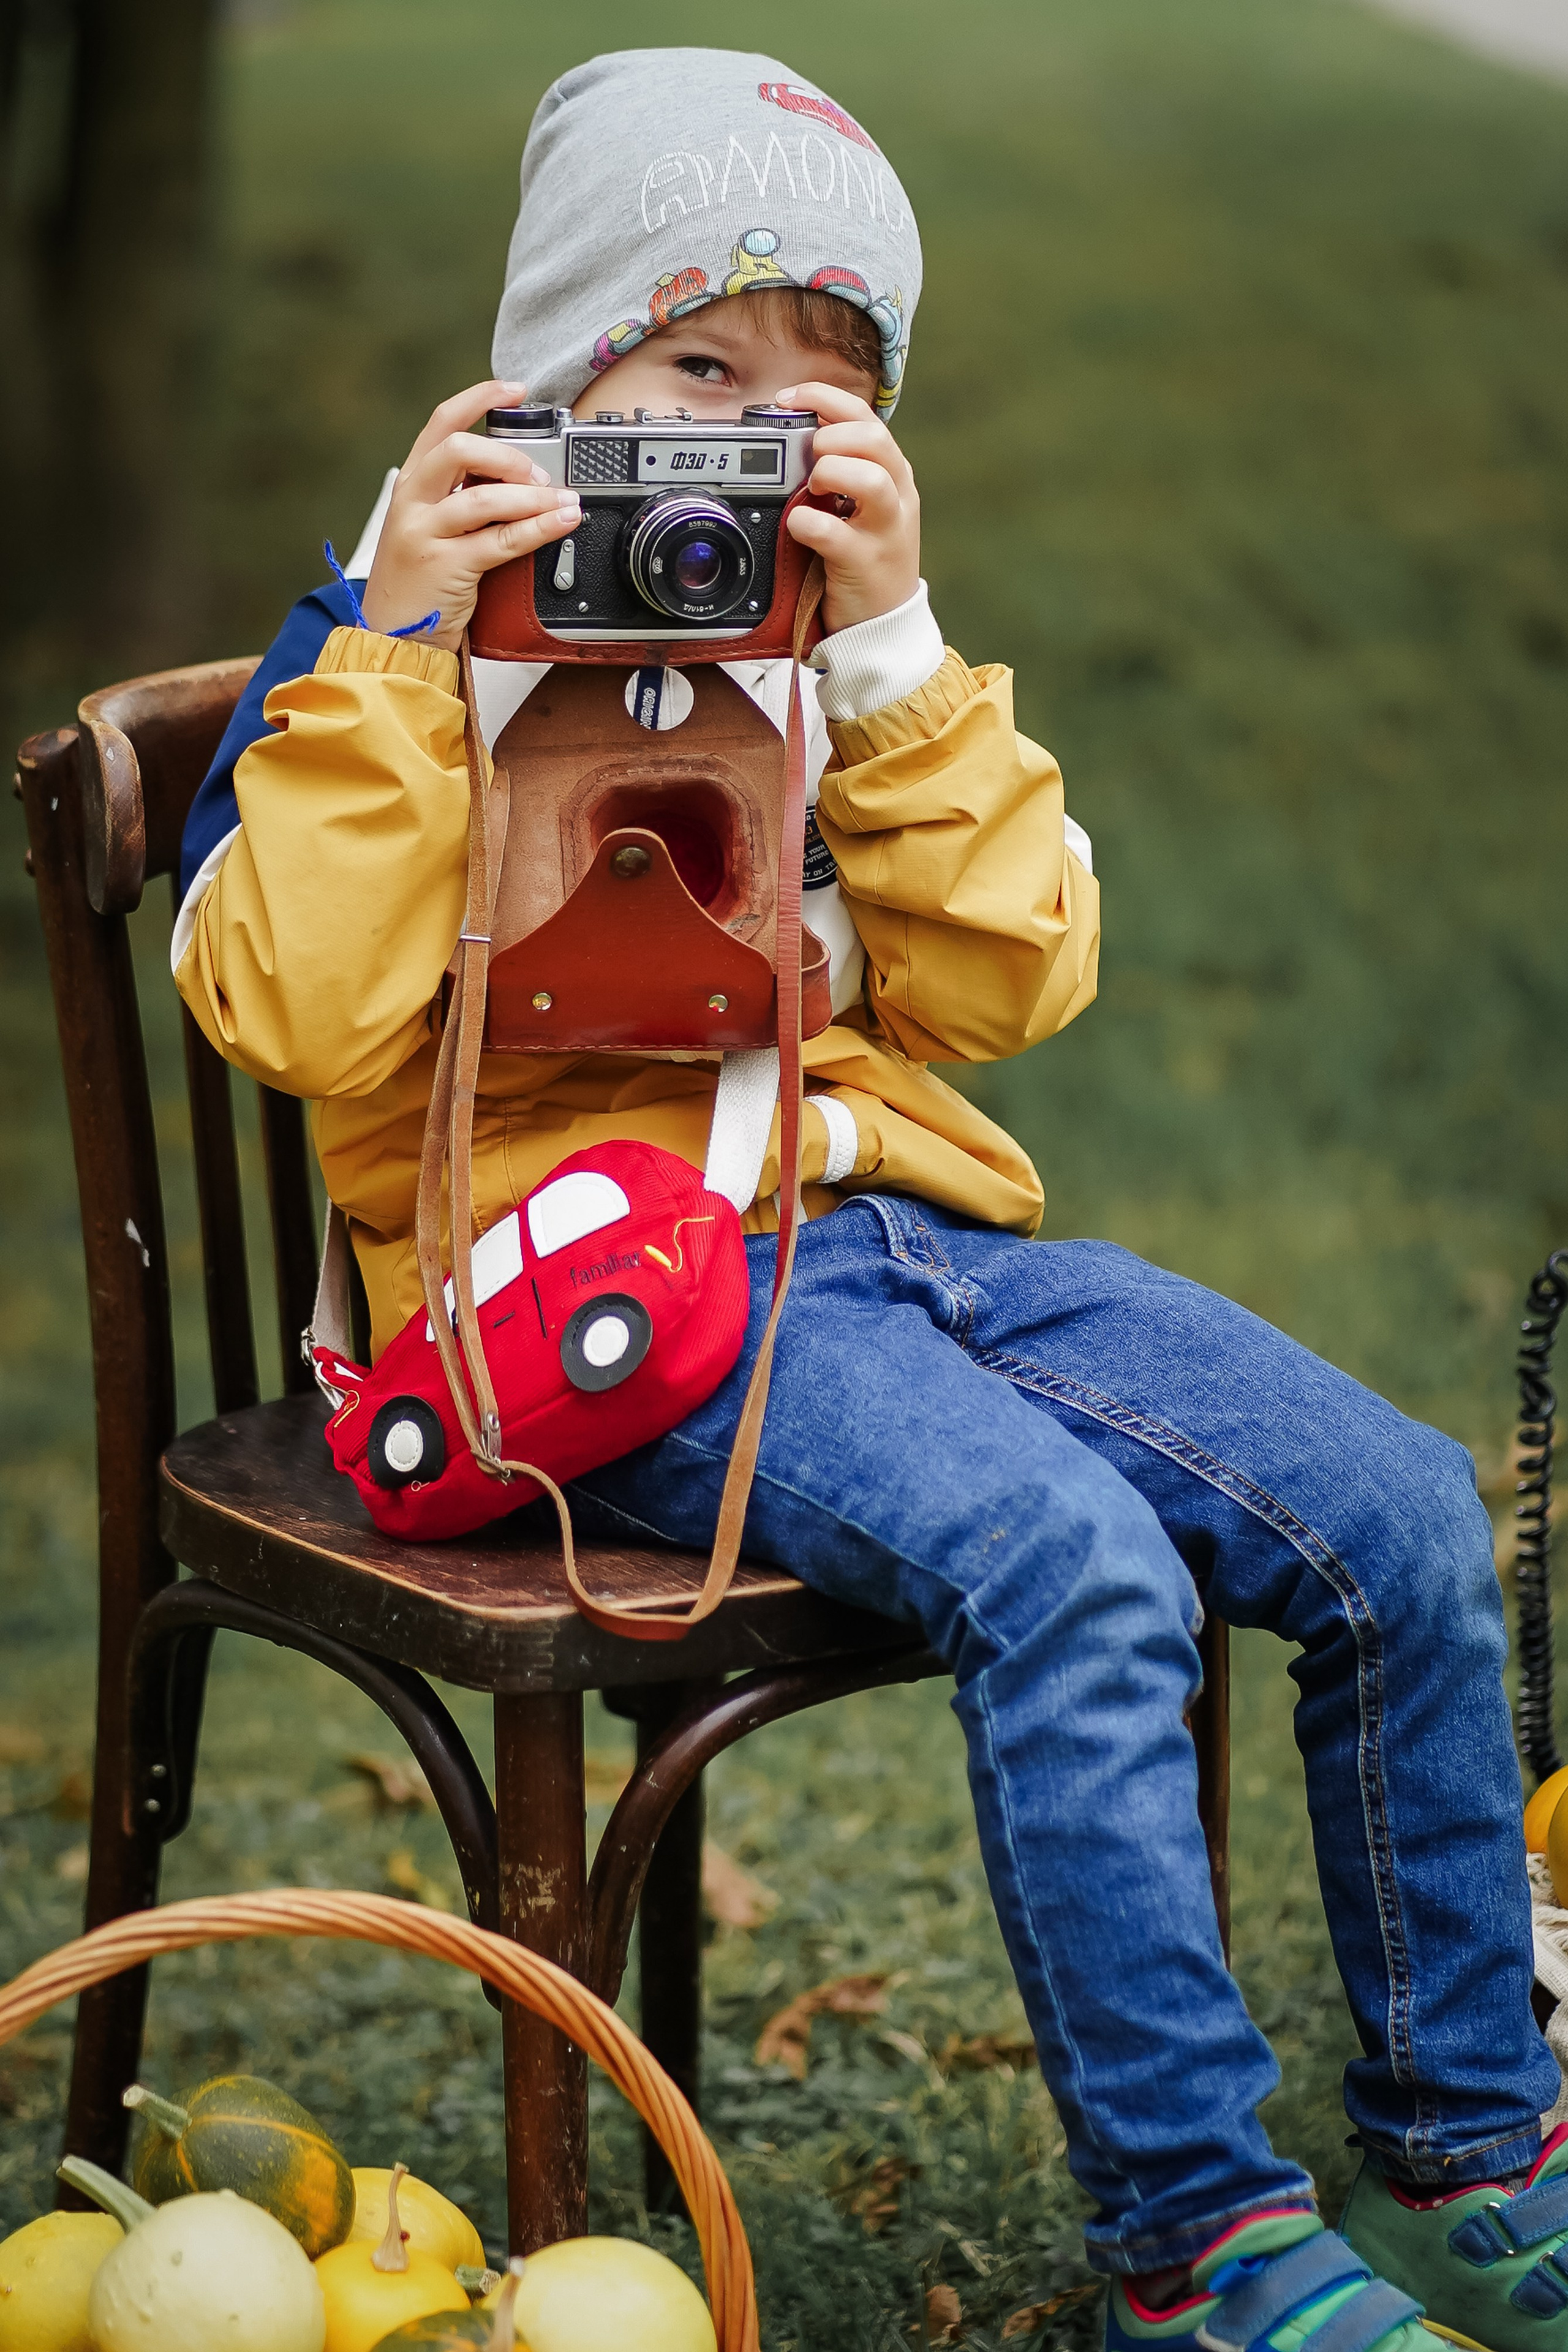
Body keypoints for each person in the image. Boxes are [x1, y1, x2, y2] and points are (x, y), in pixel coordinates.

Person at [174, 48, 1561, 2352]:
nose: (739, 446)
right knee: (1075, 1568)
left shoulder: (824, 651)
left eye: (821, 394)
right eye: (695, 370)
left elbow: (1015, 977)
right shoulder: (382, 665)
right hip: (613, 1310)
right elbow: (292, 1008)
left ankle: (1473, 2131)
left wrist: (897, 646)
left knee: (1403, 1512)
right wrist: (408, 646)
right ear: (546, 384)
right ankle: (1198, 2239)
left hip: (905, 1235)